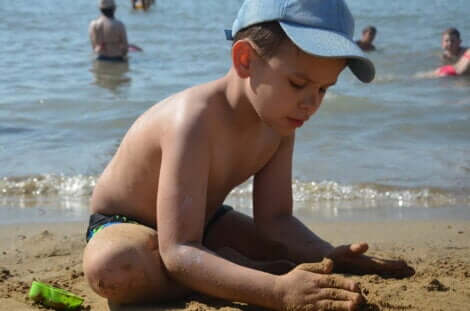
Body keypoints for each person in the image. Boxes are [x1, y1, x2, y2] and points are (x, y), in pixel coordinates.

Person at [83, 0, 414, 310]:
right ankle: (220, 272)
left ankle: (220, 268)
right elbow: (179, 249)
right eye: (299, 83)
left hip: (205, 220)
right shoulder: (192, 120)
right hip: (124, 223)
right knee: (112, 269)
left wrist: (328, 253)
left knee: (288, 253)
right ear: (245, 60)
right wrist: (275, 291)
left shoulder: (281, 122)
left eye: (323, 89)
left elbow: (276, 220)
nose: (311, 104)